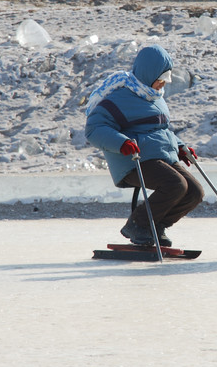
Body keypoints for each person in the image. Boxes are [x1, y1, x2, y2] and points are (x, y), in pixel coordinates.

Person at [85, 45, 204, 247]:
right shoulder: (118, 99)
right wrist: (121, 142)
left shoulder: (155, 97)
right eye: (161, 77)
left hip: (161, 157)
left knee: (194, 192)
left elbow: (162, 130)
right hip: (133, 160)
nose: (164, 83)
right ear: (149, 74)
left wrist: (180, 147)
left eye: (167, 77)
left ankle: (155, 226)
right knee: (175, 184)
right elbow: (94, 129)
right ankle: (137, 224)